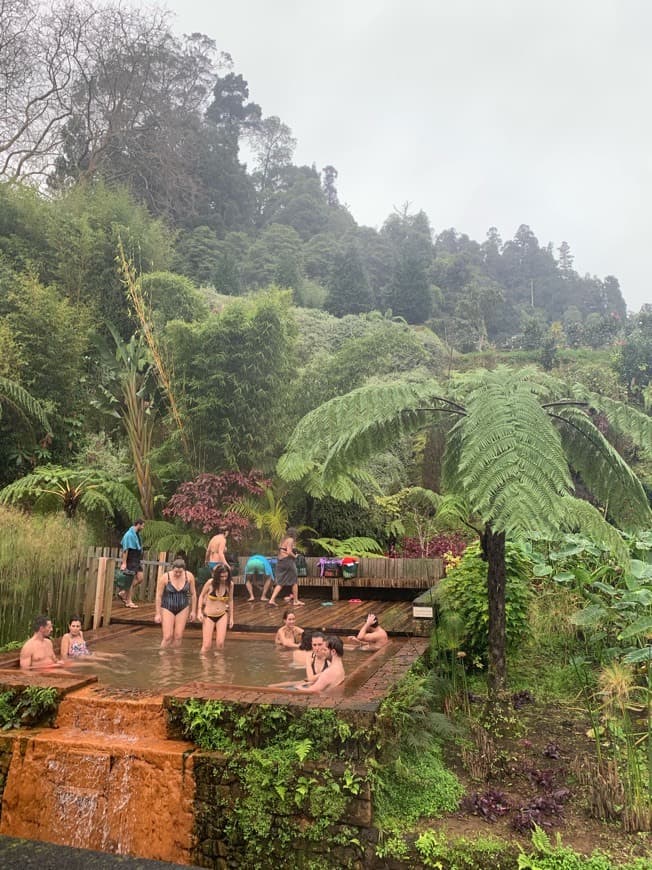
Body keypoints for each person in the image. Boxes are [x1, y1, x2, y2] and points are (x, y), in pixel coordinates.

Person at [154, 558, 197, 648]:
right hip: (167, 607)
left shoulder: (189, 576)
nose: (177, 574)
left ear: (184, 570)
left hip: (183, 607)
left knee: (178, 636)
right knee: (167, 636)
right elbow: (158, 596)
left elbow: (193, 594)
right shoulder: (165, 577)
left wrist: (193, 611)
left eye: (180, 572)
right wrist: (158, 613)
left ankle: (176, 659)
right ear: (172, 569)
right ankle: (163, 658)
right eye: (175, 572)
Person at [197, 562, 234, 652]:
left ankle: (219, 665)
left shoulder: (230, 584)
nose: (224, 579)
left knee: (220, 644)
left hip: (222, 614)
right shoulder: (210, 583)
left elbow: (230, 600)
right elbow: (201, 596)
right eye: (221, 577)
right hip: (209, 615)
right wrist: (199, 611)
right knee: (206, 645)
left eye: (226, 576)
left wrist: (231, 617)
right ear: (217, 576)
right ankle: (204, 664)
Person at [268, 528, 303, 607]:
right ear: (294, 534)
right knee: (294, 581)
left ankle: (271, 600)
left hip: (280, 562)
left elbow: (282, 550)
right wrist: (295, 556)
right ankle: (296, 601)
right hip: (287, 561)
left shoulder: (283, 540)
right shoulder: (290, 540)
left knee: (281, 582)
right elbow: (289, 551)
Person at [119, 518, 145, 608]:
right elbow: (125, 550)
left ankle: (123, 593)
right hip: (131, 559)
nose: (143, 527)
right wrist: (124, 563)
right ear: (138, 524)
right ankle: (129, 601)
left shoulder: (137, 534)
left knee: (140, 578)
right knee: (129, 581)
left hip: (136, 559)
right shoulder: (129, 535)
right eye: (143, 525)